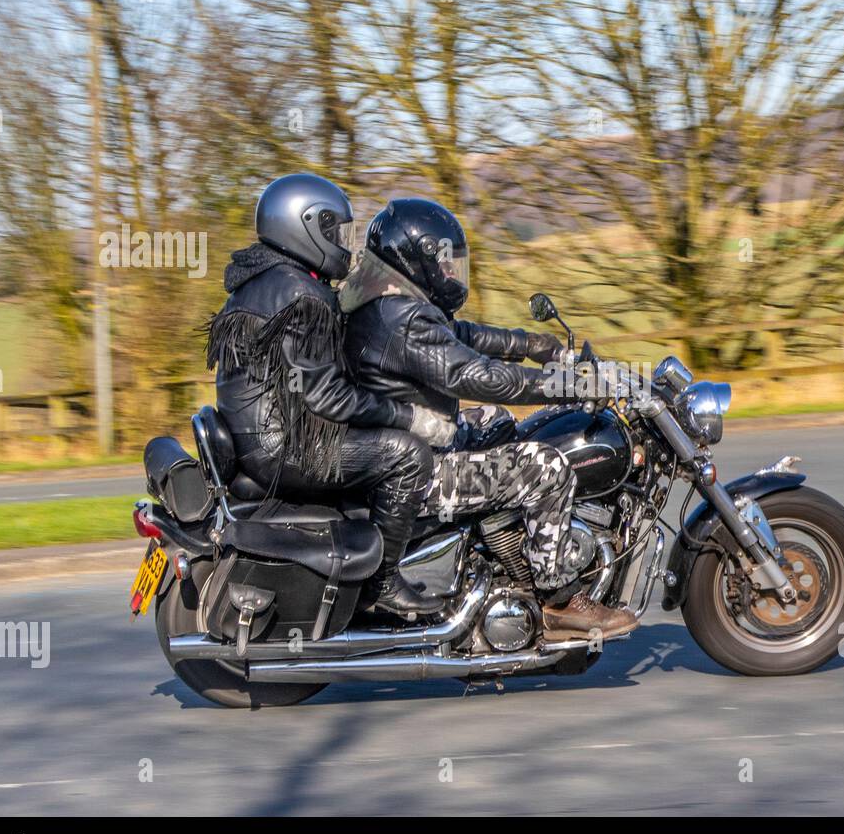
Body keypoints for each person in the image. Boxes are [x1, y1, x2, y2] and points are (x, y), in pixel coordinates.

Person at [338, 198, 638, 639]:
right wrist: (566, 384)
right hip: (415, 472)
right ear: (415, 259)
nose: (450, 272)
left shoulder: (390, 301)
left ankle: (504, 548)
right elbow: (471, 374)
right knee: (545, 467)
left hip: (404, 448)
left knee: (495, 421)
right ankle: (558, 599)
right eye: (443, 262)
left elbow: (464, 335)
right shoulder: (399, 317)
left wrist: (539, 347)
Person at [205, 174, 446, 617]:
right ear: (307, 226)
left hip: (261, 437)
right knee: (407, 455)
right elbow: (328, 398)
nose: (345, 244)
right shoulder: (302, 294)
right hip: (286, 447)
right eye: (336, 232)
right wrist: (408, 416)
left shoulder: (258, 279)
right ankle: (382, 583)